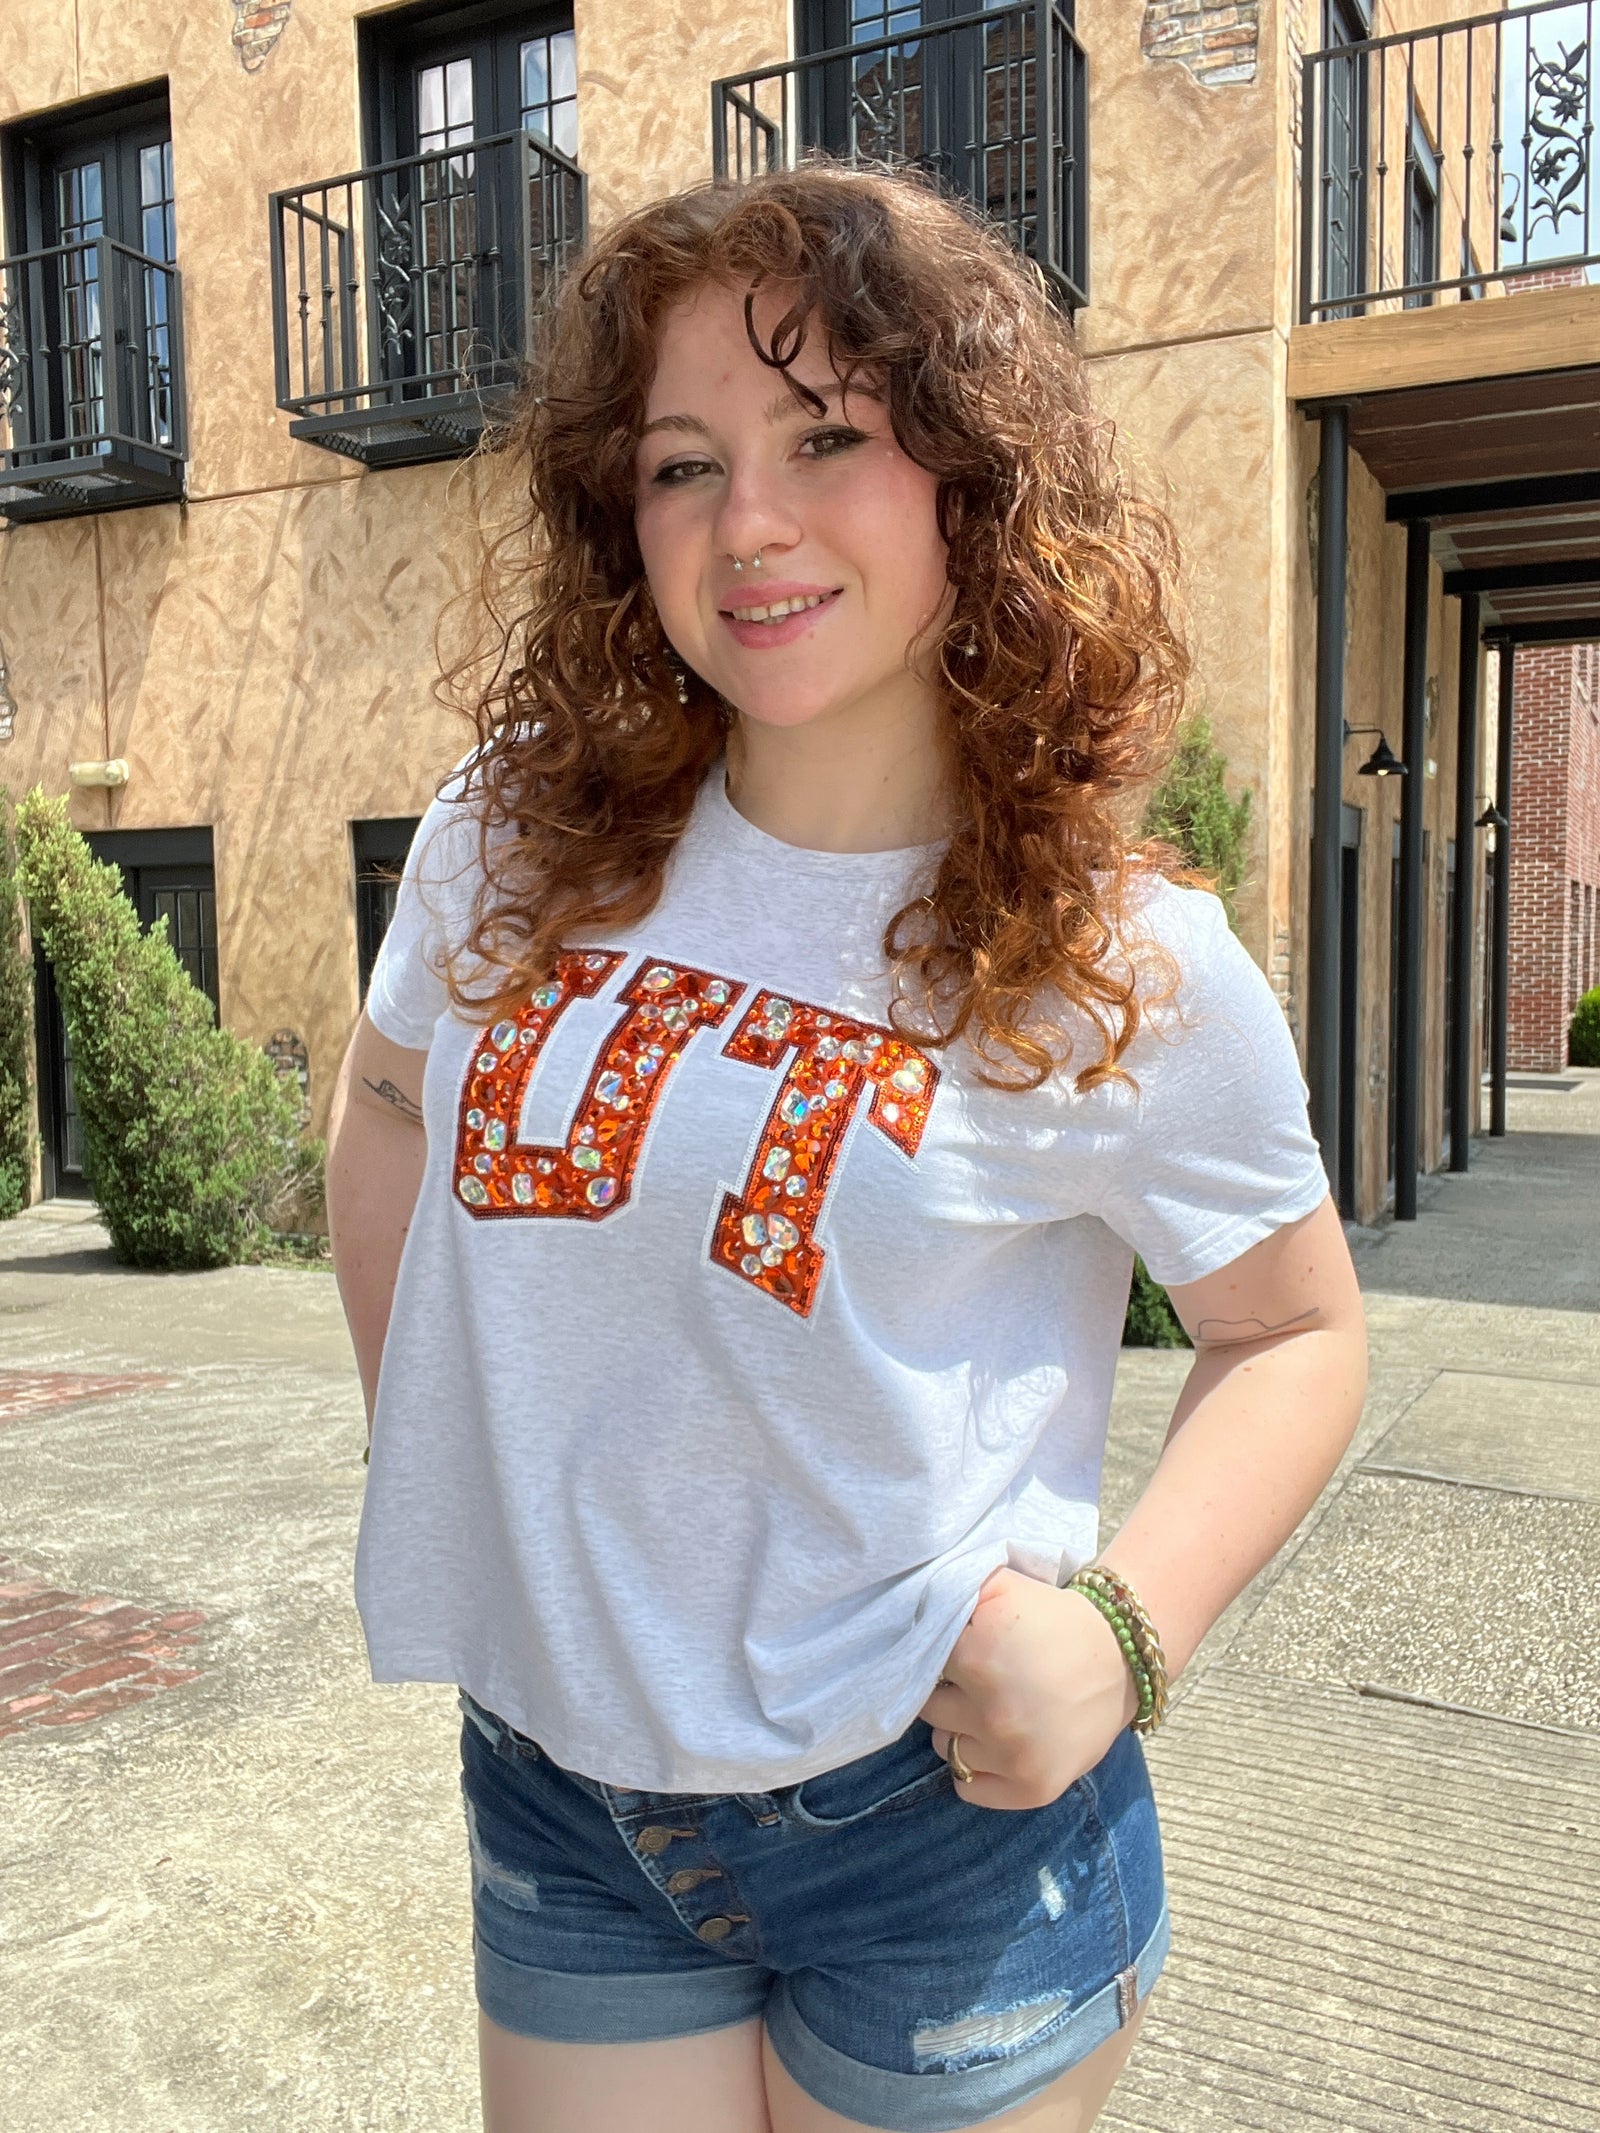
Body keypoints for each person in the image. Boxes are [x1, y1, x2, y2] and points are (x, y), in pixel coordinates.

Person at [325, 163, 1367, 2133]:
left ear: (969, 476)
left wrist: (1124, 1635)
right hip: (560, 1782)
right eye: (680, 462)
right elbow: (388, 1110)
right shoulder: (512, 825)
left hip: (928, 1820)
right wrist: (457, 1464)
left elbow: (1293, 1330)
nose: (753, 522)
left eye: (827, 435)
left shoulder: (1115, 952)